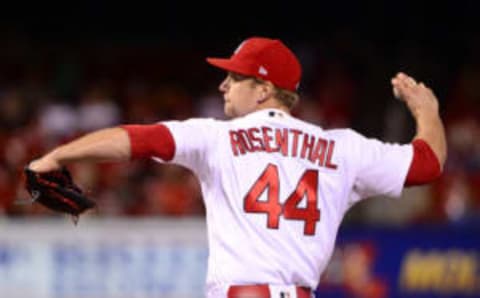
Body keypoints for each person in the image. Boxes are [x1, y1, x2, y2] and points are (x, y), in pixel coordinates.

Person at [27, 36, 447, 298]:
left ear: (264, 89)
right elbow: (427, 164)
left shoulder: (219, 137)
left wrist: (59, 156)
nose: (223, 85)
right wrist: (427, 112)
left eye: (235, 77)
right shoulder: (342, 147)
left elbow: (138, 139)